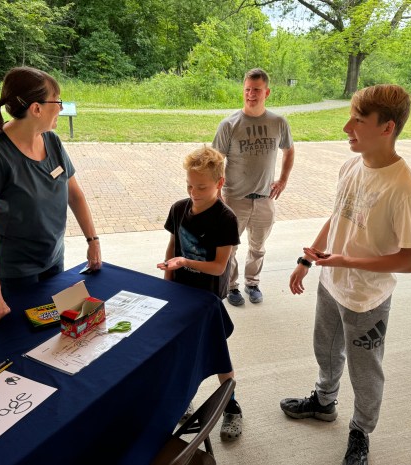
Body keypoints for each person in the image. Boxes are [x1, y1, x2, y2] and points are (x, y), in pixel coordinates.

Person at [279, 84, 411, 465]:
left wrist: (345, 261)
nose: (347, 127)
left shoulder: (405, 189)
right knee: (325, 349)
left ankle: (361, 431)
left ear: (387, 128)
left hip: (367, 299)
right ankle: (323, 402)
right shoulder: (351, 164)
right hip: (332, 283)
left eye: (358, 121)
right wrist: (308, 259)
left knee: (365, 371)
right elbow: (338, 215)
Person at [0, 67, 101, 326]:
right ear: (36, 108)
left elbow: (75, 195)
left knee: (56, 331)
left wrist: (93, 240)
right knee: (20, 338)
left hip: (52, 259)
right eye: (57, 101)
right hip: (16, 270)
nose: (61, 108)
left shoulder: (52, 141)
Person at [157, 145, 243, 441]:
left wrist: (185, 262)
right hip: (179, 294)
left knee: (219, 355)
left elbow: (220, 267)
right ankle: (183, 400)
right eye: (190, 185)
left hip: (207, 301)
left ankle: (231, 407)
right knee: (181, 352)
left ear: (220, 183)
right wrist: (169, 276)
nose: (194, 192)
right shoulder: (179, 208)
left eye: (202, 187)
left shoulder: (225, 218)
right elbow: (172, 248)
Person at [212, 67, 295, 306]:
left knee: (258, 247)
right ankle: (231, 286)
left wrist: (283, 179)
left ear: (266, 92)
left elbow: (289, 150)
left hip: (265, 199)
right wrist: (217, 194)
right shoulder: (229, 124)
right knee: (230, 247)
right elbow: (216, 161)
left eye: (256, 90)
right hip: (234, 198)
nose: (251, 94)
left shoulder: (278, 122)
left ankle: (252, 283)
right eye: (247, 89)